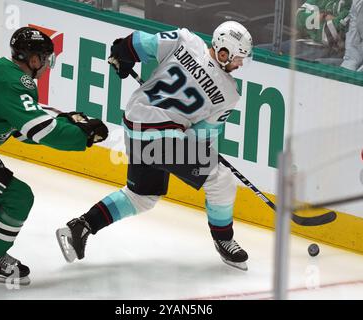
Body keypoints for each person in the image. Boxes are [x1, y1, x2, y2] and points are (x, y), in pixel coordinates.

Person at [56, 21, 253, 271]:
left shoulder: (186, 40)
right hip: (160, 134)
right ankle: (224, 241)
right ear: (223, 52)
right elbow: (202, 137)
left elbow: (136, 43)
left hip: (137, 124)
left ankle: (82, 226)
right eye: (239, 58)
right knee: (221, 180)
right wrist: (197, 151)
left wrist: (122, 54)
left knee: (142, 197)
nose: (241, 64)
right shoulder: (229, 93)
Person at [0, 27, 108, 285]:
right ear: (33, 59)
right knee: (17, 196)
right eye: (46, 59)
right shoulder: (15, 83)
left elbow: (20, 128)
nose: (47, 66)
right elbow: (41, 131)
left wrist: (61, 121)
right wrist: (81, 136)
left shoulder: (0, 68)